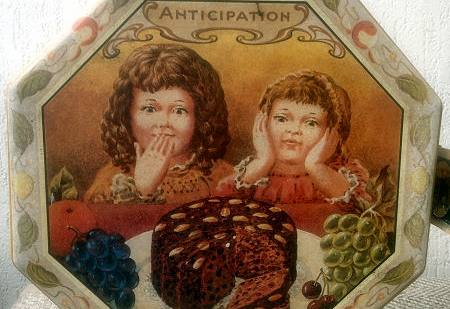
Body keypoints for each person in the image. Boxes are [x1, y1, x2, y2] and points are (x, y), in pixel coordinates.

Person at [84, 44, 232, 205]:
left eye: (179, 110)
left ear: (200, 117)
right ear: (127, 115)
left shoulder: (222, 176)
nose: (163, 123)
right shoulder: (110, 181)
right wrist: (144, 190)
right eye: (149, 109)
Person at [225, 70, 371, 205]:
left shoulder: (344, 174)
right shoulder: (255, 171)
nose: (294, 130)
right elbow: (224, 203)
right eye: (281, 119)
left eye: (311, 123)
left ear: (333, 131)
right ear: (264, 123)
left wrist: (316, 166)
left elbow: (358, 208)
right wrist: (262, 162)